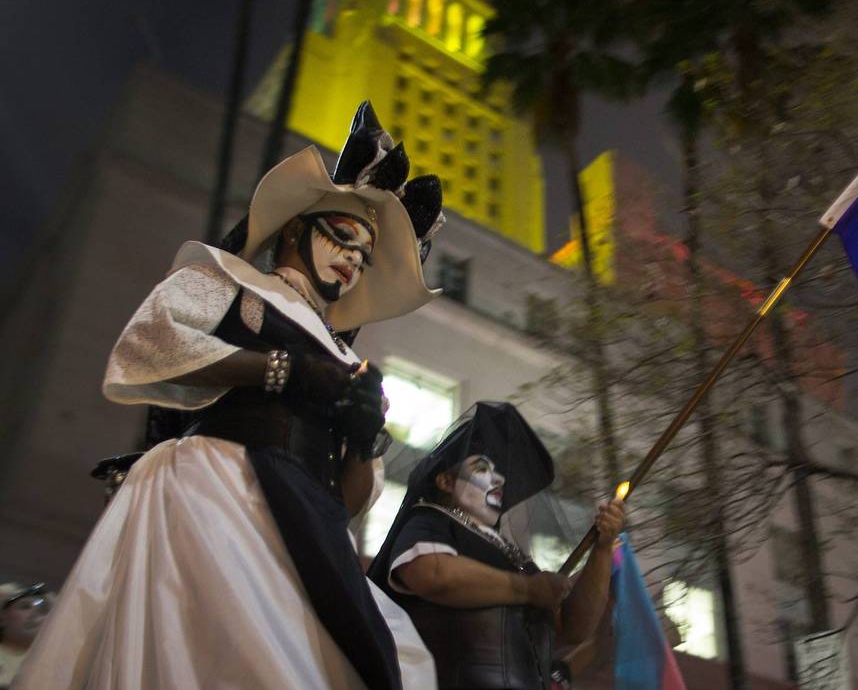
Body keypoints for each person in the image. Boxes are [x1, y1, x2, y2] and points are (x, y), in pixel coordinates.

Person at [15, 102, 444, 690]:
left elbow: (347, 501)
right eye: (344, 237)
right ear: (296, 228)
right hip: (215, 497)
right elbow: (152, 340)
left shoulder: (347, 358)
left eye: (364, 256)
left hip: (311, 531)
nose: (352, 259)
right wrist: (280, 370)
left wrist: (364, 437)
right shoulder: (231, 282)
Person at [368, 402, 625, 690]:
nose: (499, 477)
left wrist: (602, 549)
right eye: (481, 467)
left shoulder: (516, 560)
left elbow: (575, 628)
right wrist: (526, 590)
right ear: (445, 481)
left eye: (499, 471)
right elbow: (431, 574)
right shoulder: (430, 519)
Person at [0, 584, 52, 689]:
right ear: (2, 618)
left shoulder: (52, 664)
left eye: (44, 610)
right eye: (25, 606)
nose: (36, 613)